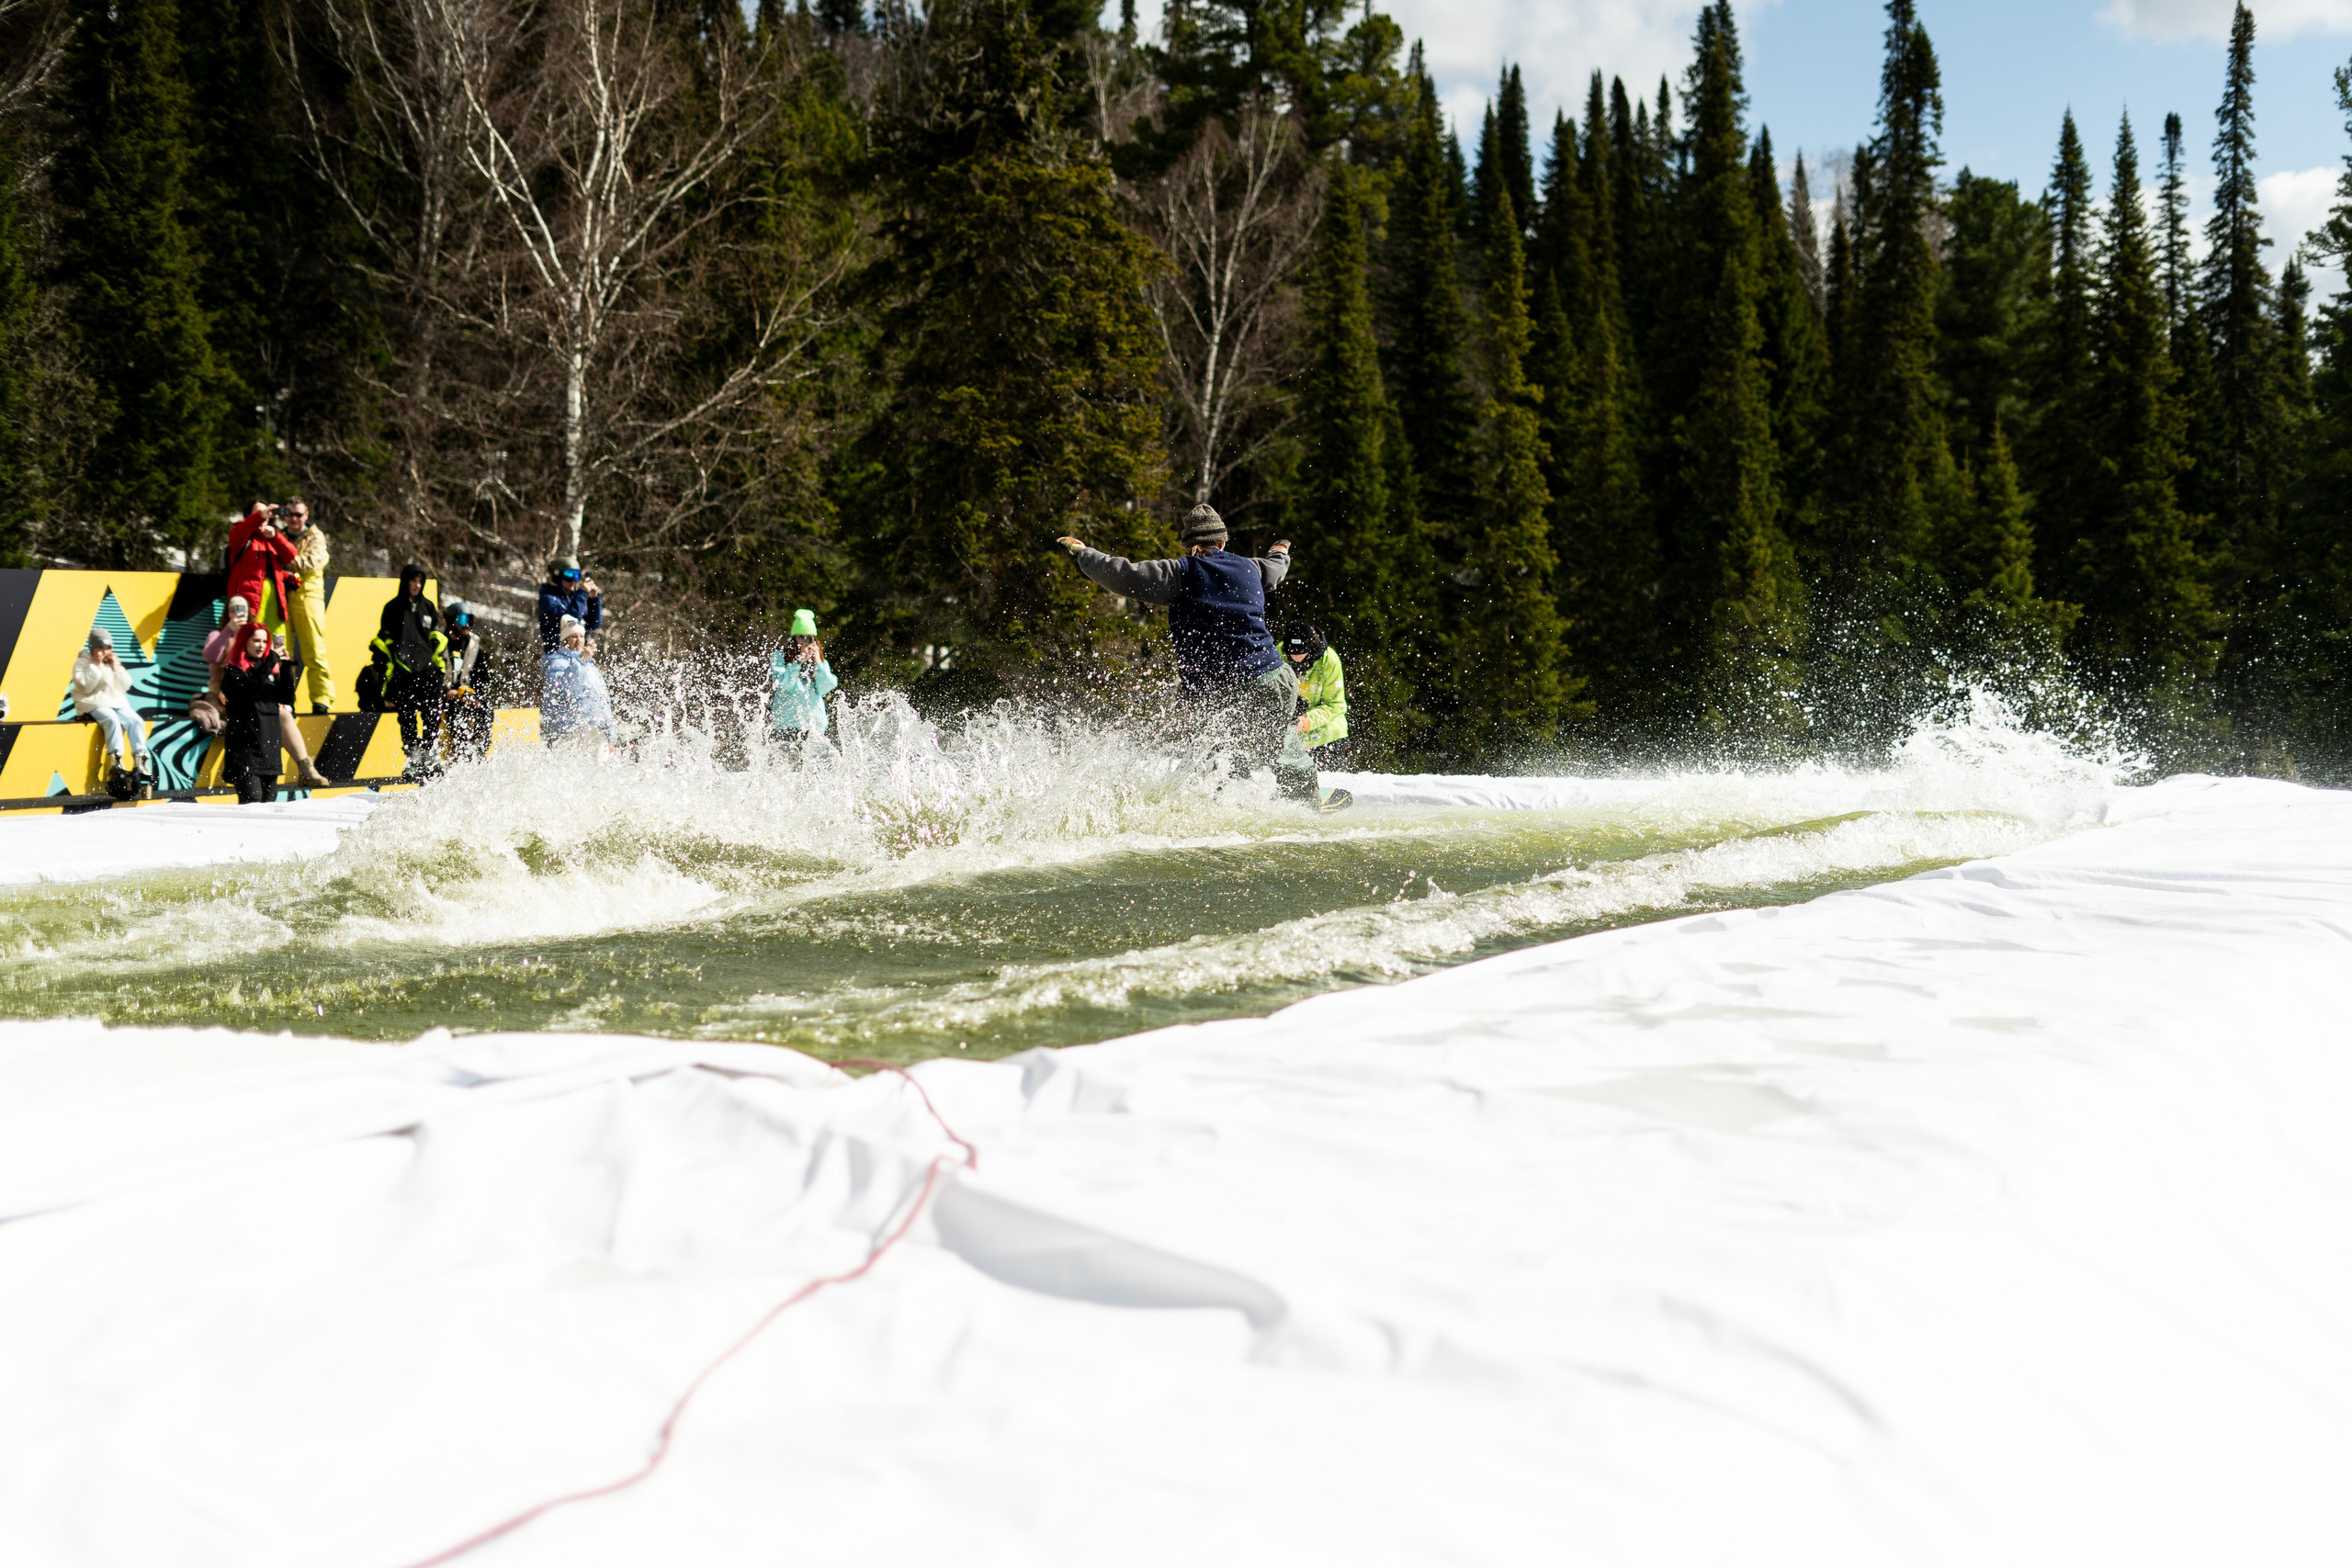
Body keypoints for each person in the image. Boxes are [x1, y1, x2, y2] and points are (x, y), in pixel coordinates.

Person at [1057, 503, 1327, 806]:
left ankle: (1227, 809)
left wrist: (1084, 554)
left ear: (1188, 546)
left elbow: (1124, 575)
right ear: (1222, 543)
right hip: (1272, 680)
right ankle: (1305, 806)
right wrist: (1280, 549)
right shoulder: (1251, 567)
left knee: (1222, 759)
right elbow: (1276, 567)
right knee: (1279, 747)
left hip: (1219, 691)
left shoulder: (1181, 572)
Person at [205, 594, 330, 787]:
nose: (240, 614)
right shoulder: (220, 634)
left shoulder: (258, 637)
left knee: (282, 714)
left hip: (258, 701)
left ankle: (305, 767)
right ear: (227, 613)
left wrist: (283, 664)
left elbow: (271, 677)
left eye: (243, 610)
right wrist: (230, 630)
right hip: (226, 696)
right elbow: (211, 655)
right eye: (234, 610)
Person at [369, 564, 449, 778]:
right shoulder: (393, 607)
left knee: (432, 715)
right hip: (403, 671)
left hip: (428, 671)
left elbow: (438, 639)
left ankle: (431, 756)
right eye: (413, 581)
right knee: (407, 716)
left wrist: (439, 668)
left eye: (420, 581)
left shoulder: (428, 607)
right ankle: (413, 759)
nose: (417, 585)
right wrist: (389, 669)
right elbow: (383, 640)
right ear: (405, 582)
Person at [219, 624, 300, 805]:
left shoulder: (269, 671)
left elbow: (287, 697)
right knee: (253, 803)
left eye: (265, 641)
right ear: (244, 642)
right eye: (256, 640)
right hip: (245, 751)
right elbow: (249, 694)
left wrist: (286, 667)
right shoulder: (234, 671)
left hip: (269, 751)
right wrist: (270, 662)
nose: (261, 645)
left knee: (269, 806)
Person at [71, 628, 154, 798]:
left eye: (107, 648)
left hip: (113, 701)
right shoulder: (82, 663)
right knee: (111, 720)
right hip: (91, 701)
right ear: (93, 648)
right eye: (100, 648)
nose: (104, 652)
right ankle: (115, 759)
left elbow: (123, 687)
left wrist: (117, 668)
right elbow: (85, 687)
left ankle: (141, 758)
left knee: (136, 721)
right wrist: (94, 666)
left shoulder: (109, 663)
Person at [280, 500, 335, 714]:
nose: (294, 518)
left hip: (308, 596)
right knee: (281, 651)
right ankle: (284, 698)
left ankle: (322, 698)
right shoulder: (281, 535)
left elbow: (312, 562)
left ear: (306, 515)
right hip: (283, 596)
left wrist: (284, 559)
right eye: (289, 514)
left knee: (314, 649)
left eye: (298, 514)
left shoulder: (316, 536)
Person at [223, 502, 300, 639]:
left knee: (277, 643)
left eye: (267, 513)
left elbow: (291, 555)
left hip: (275, 602)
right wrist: (260, 516)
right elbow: (237, 534)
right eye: (258, 512)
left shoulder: (273, 536)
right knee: (248, 641)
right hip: (248, 601)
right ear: (249, 515)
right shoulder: (241, 533)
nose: (264, 516)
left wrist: (275, 538)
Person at [1283, 626, 1350, 772]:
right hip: (1293, 742)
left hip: (1327, 738)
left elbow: (1334, 705)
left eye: (1301, 655)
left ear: (1311, 647)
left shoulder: (1329, 661)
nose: (1295, 659)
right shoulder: (1277, 654)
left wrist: (1306, 721)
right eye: (1291, 655)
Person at [769, 608, 839, 747]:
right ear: (794, 638)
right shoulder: (780, 657)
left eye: (809, 638)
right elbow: (783, 684)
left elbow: (826, 687)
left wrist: (818, 661)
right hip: (786, 726)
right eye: (800, 637)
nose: (804, 642)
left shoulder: (818, 662)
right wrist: (798, 662)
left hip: (814, 726)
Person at [539, 615, 613, 748]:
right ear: (564, 640)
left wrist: (610, 735)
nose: (579, 640)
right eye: (574, 636)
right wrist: (581, 660)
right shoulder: (556, 663)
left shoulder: (590, 665)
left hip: (596, 730)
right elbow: (569, 688)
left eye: (581, 636)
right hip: (571, 731)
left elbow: (603, 701)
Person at [441, 599, 497, 761]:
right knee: (456, 710)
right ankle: (461, 752)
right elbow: (432, 674)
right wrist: (445, 691)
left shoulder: (473, 643)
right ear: (451, 622)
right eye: (463, 620)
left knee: (485, 707)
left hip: (465, 694)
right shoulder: (439, 642)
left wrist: (476, 696)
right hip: (445, 695)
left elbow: (482, 676)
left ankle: (479, 750)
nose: (467, 626)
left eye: (470, 621)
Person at [537, 555, 601, 652]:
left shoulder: (573, 599)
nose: (574, 580)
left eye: (577, 575)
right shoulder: (548, 600)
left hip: (579, 656)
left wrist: (593, 600)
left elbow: (593, 624)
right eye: (569, 575)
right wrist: (582, 592)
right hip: (557, 657)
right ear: (557, 575)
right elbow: (570, 621)